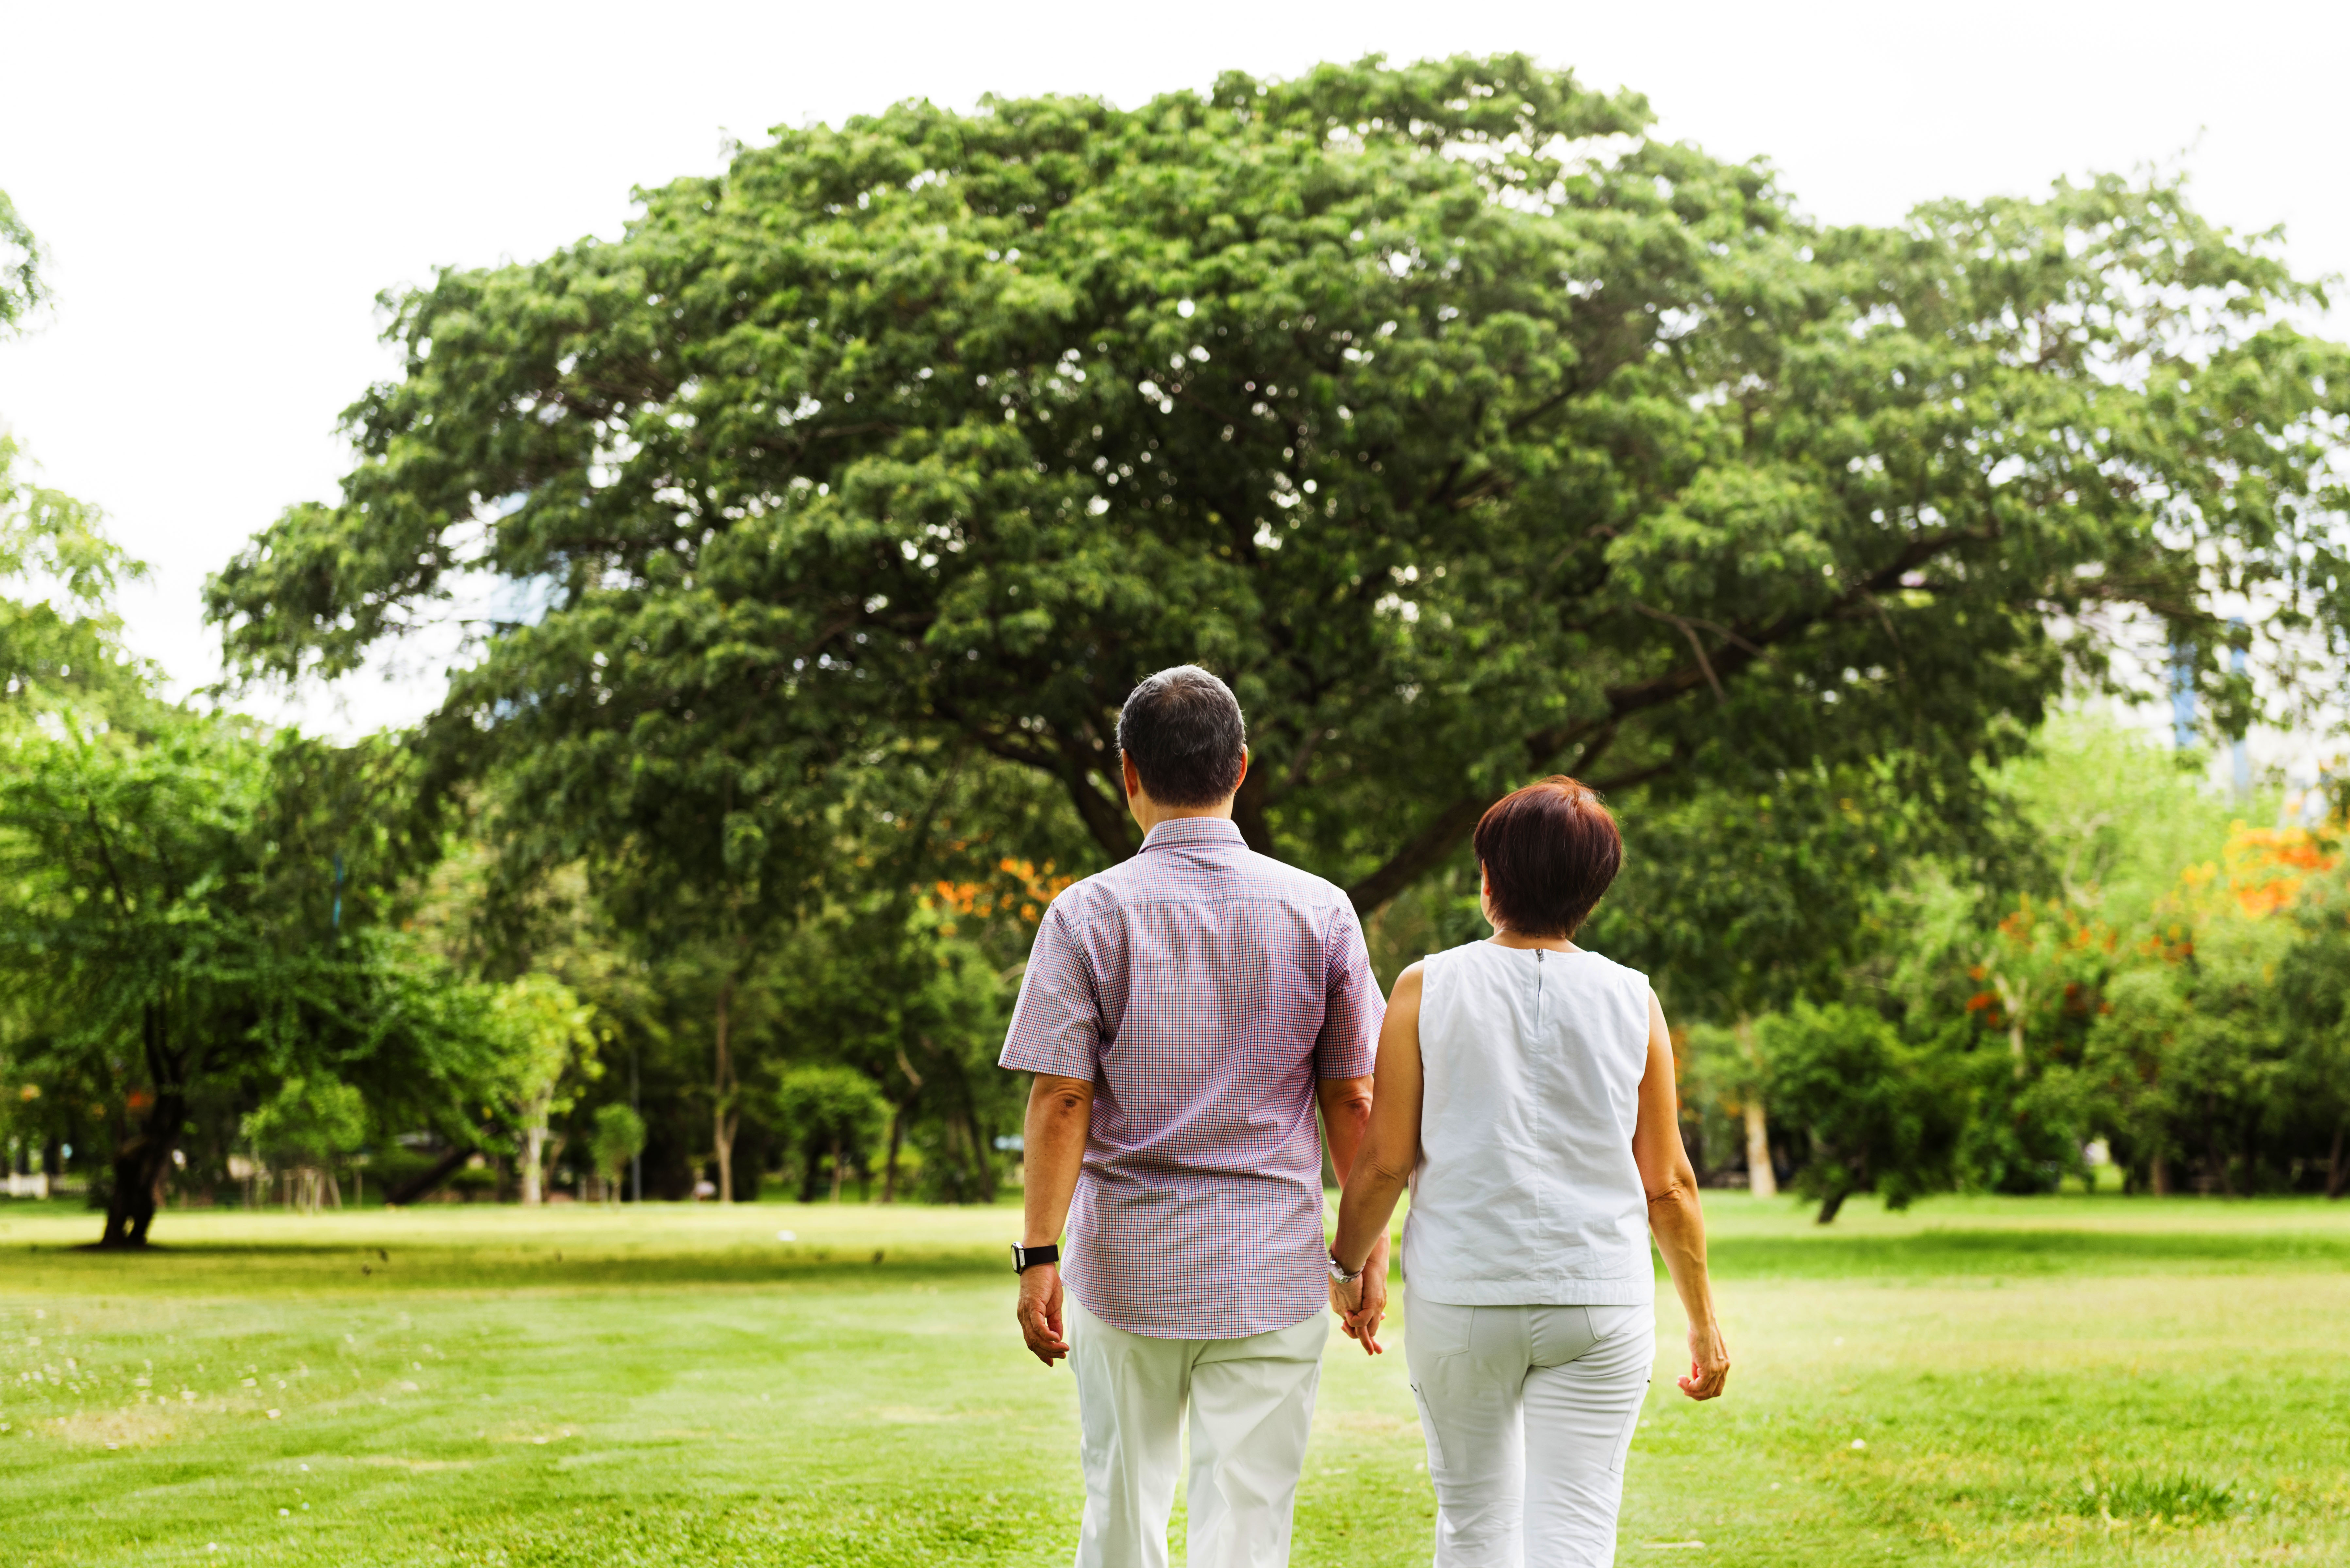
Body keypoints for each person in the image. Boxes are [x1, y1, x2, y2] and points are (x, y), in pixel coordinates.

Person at [1000, 665, 1385, 1568]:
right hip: (1271, 1267)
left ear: (1126, 772)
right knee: (1247, 1527)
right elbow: (1354, 1095)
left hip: (1126, 1267)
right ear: (1241, 768)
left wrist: (1039, 1257)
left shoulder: (1084, 914)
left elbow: (1062, 1098)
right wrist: (1361, 1254)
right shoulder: (1321, 910)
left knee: (1123, 1513)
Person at [1327, 776, 1730, 1568]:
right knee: (1575, 1539)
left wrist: (1347, 1265)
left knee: (1474, 1530)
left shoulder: (1424, 987)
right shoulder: (1633, 999)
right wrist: (1703, 1322)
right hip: (1598, 1299)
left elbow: (1382, 1162)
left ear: (1488, 880)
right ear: (1593, 891)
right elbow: (1669, 1185)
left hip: (1463, 1296)